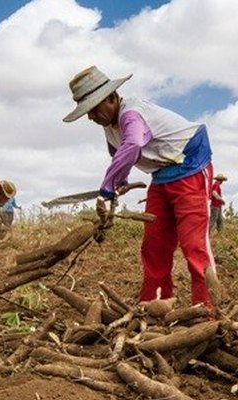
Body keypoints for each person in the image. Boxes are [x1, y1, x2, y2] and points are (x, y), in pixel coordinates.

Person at [63, 66, 218, 308]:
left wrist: (108, 184)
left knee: (193, 245)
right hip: (161, 176)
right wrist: (120, 180)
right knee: (154, 244)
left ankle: (208, 310)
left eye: (93, 109)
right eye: (87, 113)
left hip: (190, 168)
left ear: (112, 98)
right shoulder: (110, 125)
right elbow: (119, 153)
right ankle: (154, 305)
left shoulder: (131, 115)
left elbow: (133, 143)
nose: (91, 117)